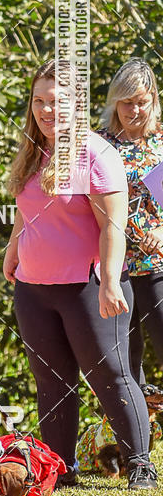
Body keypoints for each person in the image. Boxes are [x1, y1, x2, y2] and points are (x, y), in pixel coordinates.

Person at [3, 59, 156, 490]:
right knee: (51, 381)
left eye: (56, 102)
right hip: (35, 289)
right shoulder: (33, 148)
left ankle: (140, 465)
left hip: (87, 287)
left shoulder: (95, 152)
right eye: (38, 101)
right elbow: (26, 210)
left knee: (111, 375)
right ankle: (60, 468)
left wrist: (110, 280)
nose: (46, 111)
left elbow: (114, 225)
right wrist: (13, 249)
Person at [99, 58, 163, 385]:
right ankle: (139, 432)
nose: (134, 110)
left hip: (156, 267)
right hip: (112, 271)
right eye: (126, 102)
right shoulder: (98, 143)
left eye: (141, 102)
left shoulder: (161, 142)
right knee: (125, 366)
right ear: (115, 101)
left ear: (153, 100)